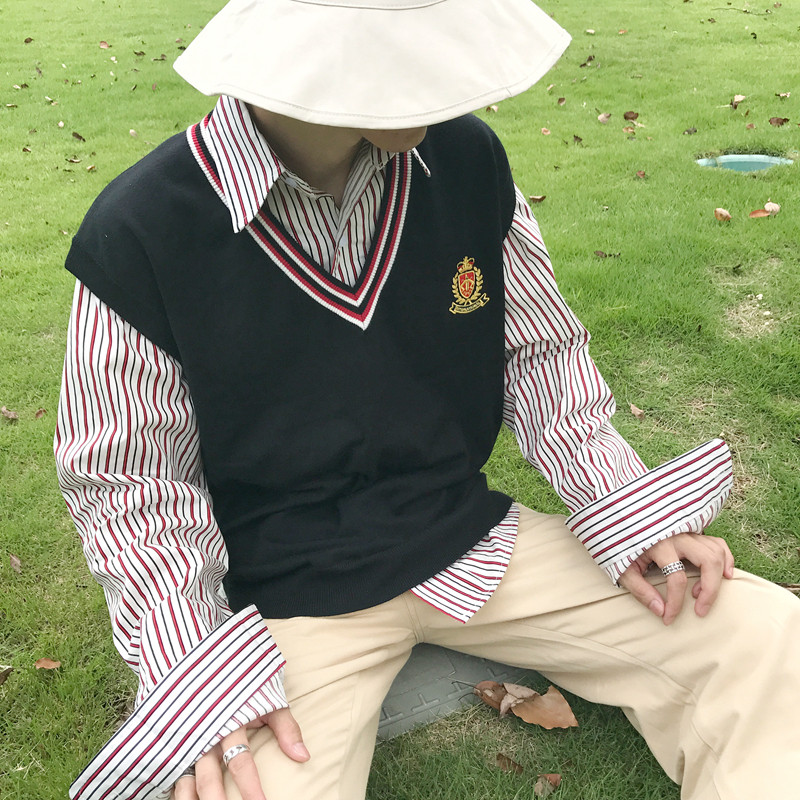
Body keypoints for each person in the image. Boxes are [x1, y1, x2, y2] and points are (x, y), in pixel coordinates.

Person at [54, 1, 800, 799]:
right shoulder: (141, 231)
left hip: (469, 539)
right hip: (284, 601)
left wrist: (629, 513)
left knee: (759, 639)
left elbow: (540, 356)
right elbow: (131, 487)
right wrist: (195, 669)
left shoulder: (467, 160)